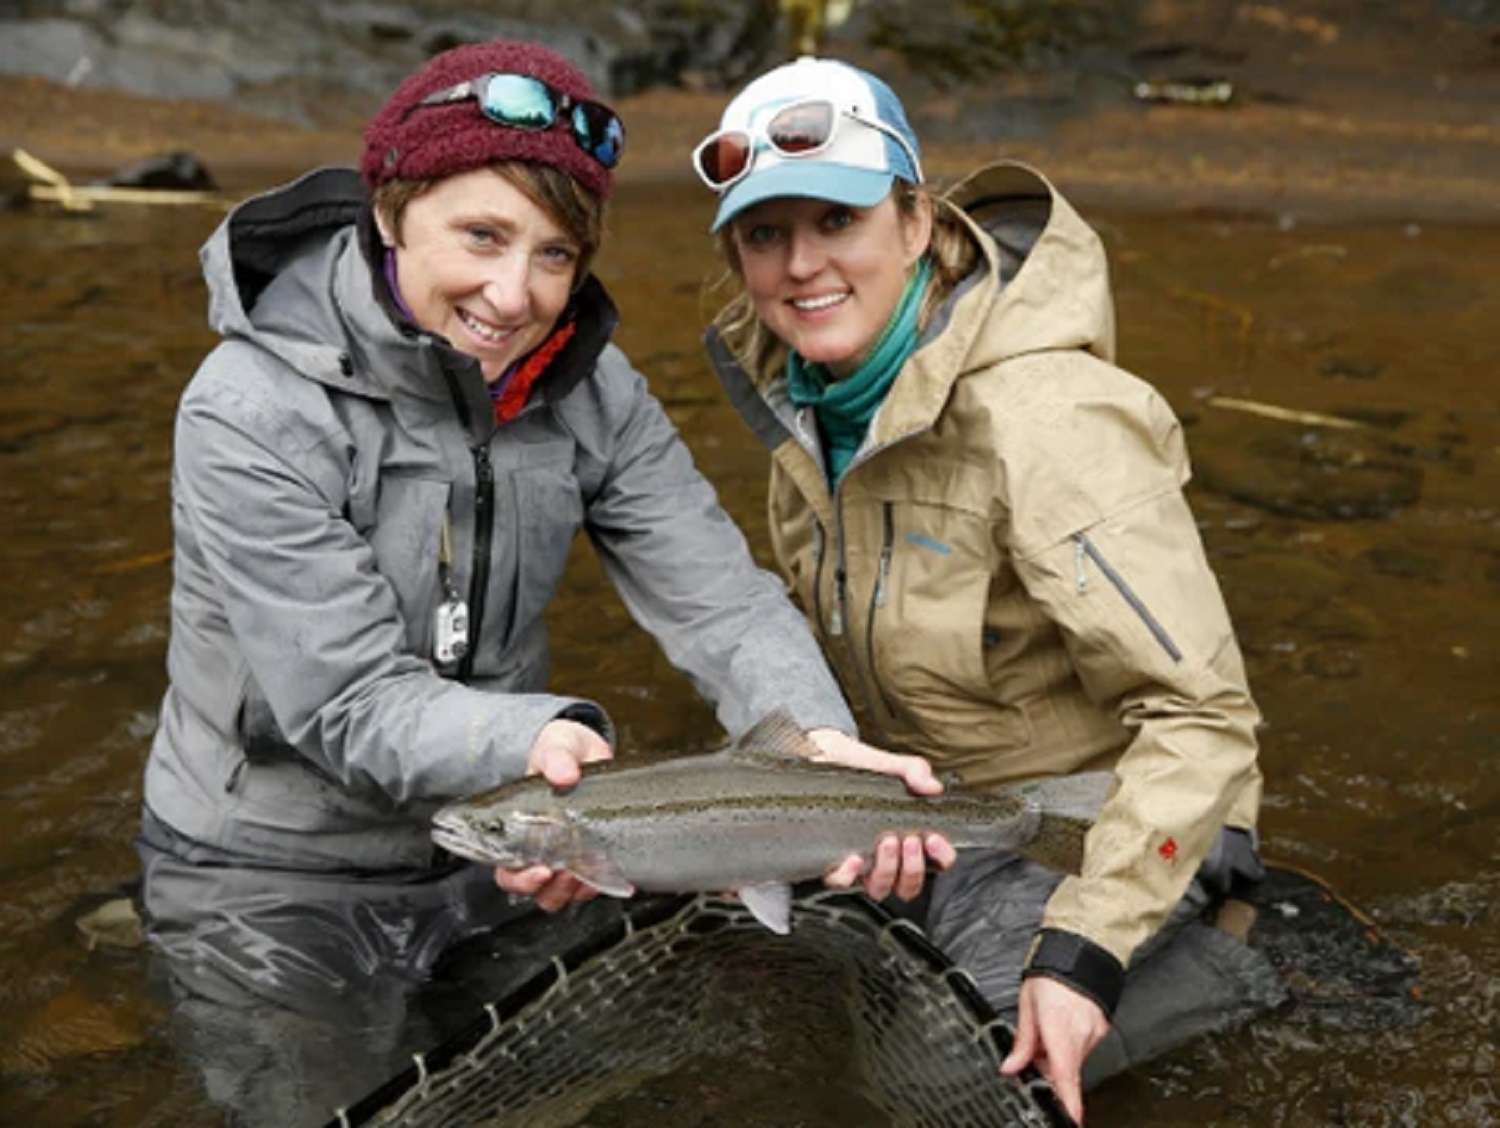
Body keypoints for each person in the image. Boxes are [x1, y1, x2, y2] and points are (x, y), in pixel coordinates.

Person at [134, 39, 947, 1125]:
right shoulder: (246, 410)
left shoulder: (591, 387)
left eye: (556, 255)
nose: (513, 295)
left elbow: (721, 597)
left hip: (510, 850)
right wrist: (544, 745)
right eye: (481, 236)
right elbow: (348, 703)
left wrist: (809, 743)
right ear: (391, 208)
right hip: (273, 874)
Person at [696, 56, 1282, 1123]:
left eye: (837, 219)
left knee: (947, 1081)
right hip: (922, 814)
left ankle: (1220, 968)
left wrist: (1083, 948)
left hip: (1086, 817)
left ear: (917, 221)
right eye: (764, 235)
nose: (799, 266)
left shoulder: (1048, 419)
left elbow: (1204, 719)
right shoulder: (805, 408)